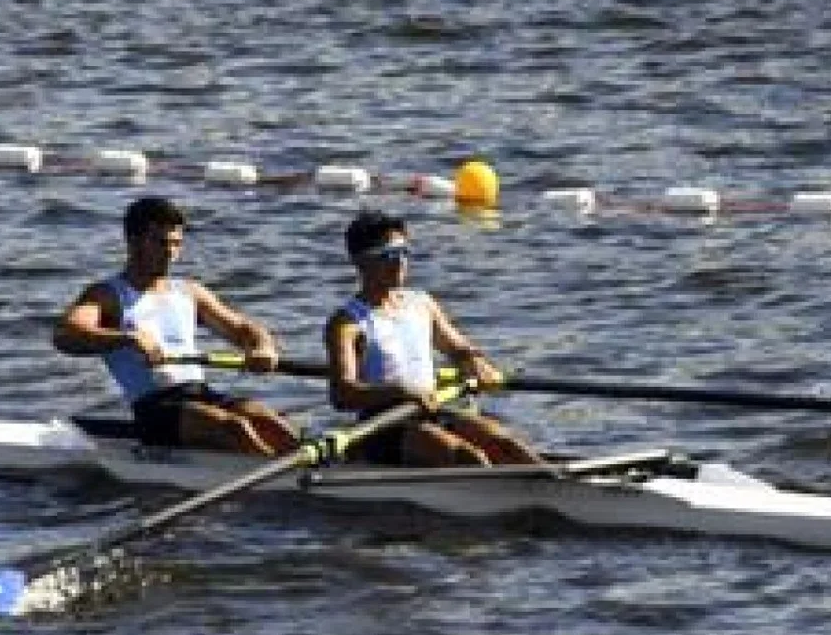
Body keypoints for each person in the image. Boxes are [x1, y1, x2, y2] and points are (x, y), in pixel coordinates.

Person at [53, 196, 300, 457]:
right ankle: (281, 477)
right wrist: (127, 338)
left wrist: (263, 347)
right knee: (236, 427)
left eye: (176, 244)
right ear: (133, 242)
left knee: (275, 425)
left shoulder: (190, 292)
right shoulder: (107, 295)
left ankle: (303, 469)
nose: (170, 252)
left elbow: (242, 328)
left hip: (201, 395)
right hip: (154, 409)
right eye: (160, 243)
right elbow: (66, 333)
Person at [324, 209, 544, 467]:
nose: (399, 262)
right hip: (382, 427)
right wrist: (401, 392)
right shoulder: (346, 324)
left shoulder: (422, 304)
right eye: (387, 255)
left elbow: (458, 347)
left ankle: (558, 486)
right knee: (468, 457)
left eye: (404, 252)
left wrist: (474, 362)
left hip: (432, 408)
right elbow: (343, 395)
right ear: (360, 263)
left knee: (508, 444)